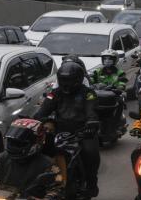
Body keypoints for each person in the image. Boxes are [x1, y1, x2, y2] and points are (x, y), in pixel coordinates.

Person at [34, 62, 100, 198]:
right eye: (63, 80)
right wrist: (43, 121)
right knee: (38, 151)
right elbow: (42, 112)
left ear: (78, 79)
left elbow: (91, 112)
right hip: (58, 132)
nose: (66, 83)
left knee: (90, 153)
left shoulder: (88, 93)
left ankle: (92, 184)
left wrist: (91, 123)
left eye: (69, 80)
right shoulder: (55, 93)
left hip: (83, 132)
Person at [0, 119, 61, 199]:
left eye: (19, 143)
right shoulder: (1, 158)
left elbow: (57, 189)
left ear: (36, 141)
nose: (15, 145)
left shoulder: (49, 165)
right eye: (13, 142)